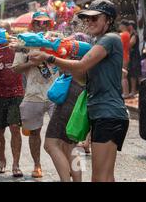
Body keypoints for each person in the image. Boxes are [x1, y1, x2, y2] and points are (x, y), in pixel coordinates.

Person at [29, 0, 130, 182]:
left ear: (108, 20)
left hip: (109, 114)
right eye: (86, 18)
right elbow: (83, 77)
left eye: (95, 18)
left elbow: (82, 65)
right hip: (101, 113)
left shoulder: (110, 39)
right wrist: (64, 58)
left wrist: (50, 57)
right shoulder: (97, 42)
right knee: (105, 176)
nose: (89, 22)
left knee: (99, 177)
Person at [12, 11, 58, 178]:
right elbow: (16, 68)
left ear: (50, 24)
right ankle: (37, 165)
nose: (42, 26)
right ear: (32, 24)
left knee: (62, 131)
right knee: (34, 132)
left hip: (56, 93)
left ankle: (64, 164)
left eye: (45, 23)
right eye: (38, 23)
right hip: (33, 93)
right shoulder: (24, 41)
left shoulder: (55, 39)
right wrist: (32, 62)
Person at [43, 32, 91, 182]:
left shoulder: (76, 58)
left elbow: (60, 65)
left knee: (50, 144)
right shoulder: (90, 58)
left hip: (71, 96)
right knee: (73, 145)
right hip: (82, 95)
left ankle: (65, 180)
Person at [0, 21, 25, 177]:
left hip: (16, 94)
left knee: (15, 128)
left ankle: (16, 164)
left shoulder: (17, 46)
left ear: (11, 31)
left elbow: (30, 61)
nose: (2, 33)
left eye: (5, 30)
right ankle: (2, 160)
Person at [127, 20, 141, 97]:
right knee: (132, 74)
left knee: (137, 74)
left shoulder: (134, 34)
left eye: (128, 25)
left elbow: (130, 44)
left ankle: (142, 90)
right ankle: (133, 91)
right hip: (132, 56)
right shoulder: (130, 34)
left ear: (131, 26)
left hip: (135, 56)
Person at [119, 20, 131, 98]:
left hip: (123, 56)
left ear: (123, 26)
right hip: (126, 55)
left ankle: (125, 93)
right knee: (124, 75)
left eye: (120, 25)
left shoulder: (124, 35)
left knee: (123, 75)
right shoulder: (127, 34)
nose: (119, 26)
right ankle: (126, 92)